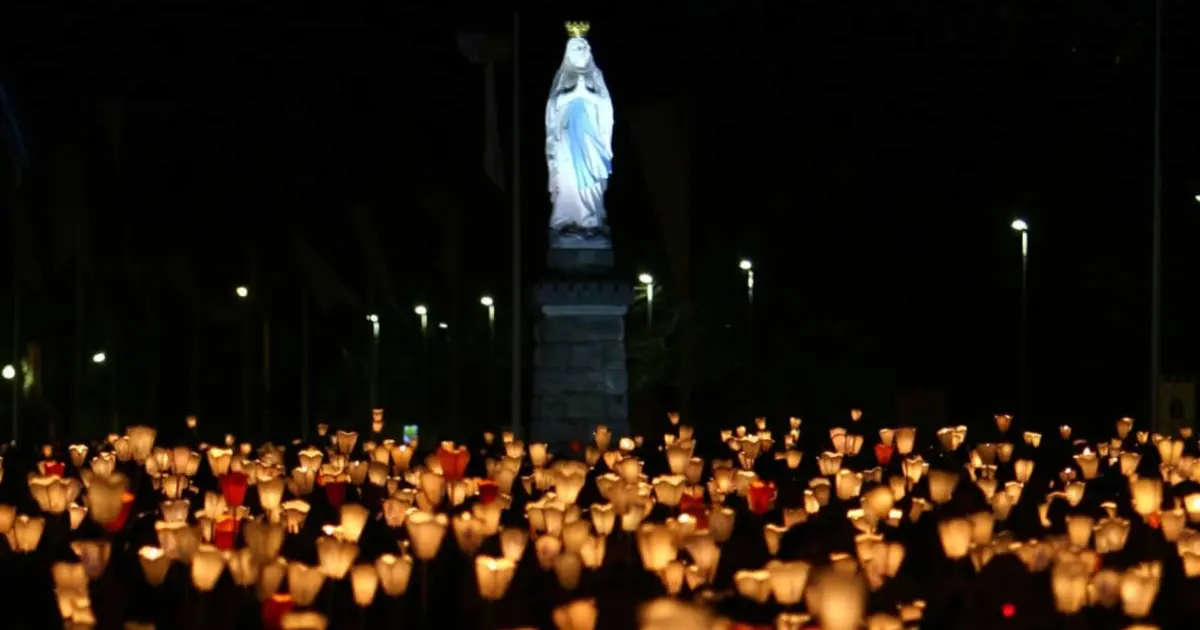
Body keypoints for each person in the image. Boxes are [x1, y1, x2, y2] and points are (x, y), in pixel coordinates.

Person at [544, 25, 614, 242]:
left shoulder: (595, 75)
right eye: (575, 47)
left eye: (583, 46)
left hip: (590, 138)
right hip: (567, 138)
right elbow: (553, 106)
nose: (580, 50)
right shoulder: (564, 76)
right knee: (568, 178)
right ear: (568, 53)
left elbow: (605, 105)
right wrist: (575, 93)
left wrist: (587, 94)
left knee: (591, 177)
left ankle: (590, 220)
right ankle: (566, 221)